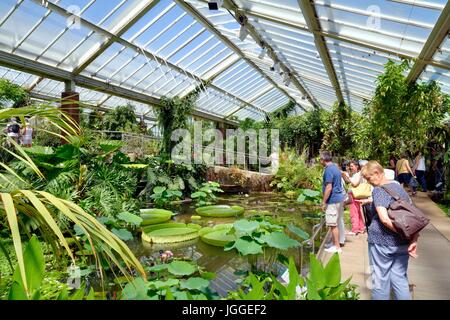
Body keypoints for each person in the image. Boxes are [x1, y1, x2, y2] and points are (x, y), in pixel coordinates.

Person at [361, 161, 419, 300]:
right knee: (400, 280)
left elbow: (385, 219)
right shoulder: (399, 188)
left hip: (382, 243)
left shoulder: (379, 190)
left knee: (380, 282)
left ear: (377, 173)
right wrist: (412, 238)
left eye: (369, 178)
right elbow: (413, 216)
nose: (369, 182)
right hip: (402, 244)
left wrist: (401, 232)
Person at [320, 151, 346, 254]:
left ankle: (337, 247)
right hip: (339, 199)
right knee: (337, 221)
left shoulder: (329, 170)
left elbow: (329, 187)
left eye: (320, 159)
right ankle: (335, 243)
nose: (319, 161)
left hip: (333, 200)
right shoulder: (335, 168)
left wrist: (323, 201)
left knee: (332, 224)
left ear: (323, 159)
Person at [342, 160, 366, 235]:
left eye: (352, 166)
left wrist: (346, 177)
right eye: (350, 166)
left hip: (355, 194)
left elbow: (355, 184)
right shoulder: (357, 174)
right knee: (358, 211)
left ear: (357, 166)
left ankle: (354, 229)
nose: (350, 168)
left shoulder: (358, 174)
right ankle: (361, 228)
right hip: (358, 194)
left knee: (354, 212)